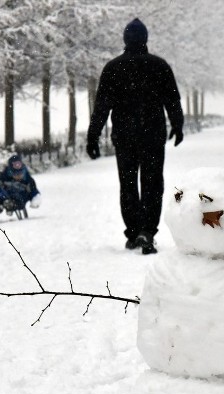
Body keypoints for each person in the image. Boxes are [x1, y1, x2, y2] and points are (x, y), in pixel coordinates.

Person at [86, 18, 185, 255]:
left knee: (128, 184)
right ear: (146, 39)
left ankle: (133, 231)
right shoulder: (159, 66)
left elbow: (101, 107)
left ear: (125, 39)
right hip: (153, 134)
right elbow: (172, 99)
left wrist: (93, 137)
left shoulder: (113, 68)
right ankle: (148, 231)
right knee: (153, 183)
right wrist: (177, 125)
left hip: (124, 135)